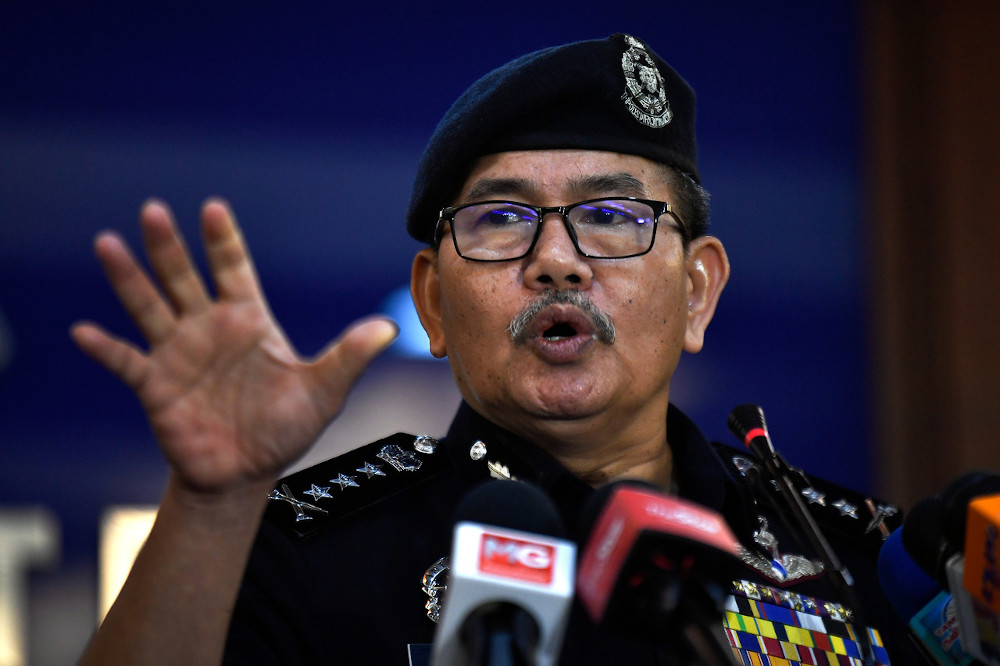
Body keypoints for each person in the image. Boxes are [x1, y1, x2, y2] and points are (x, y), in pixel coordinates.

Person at [73, 34, 920, 665]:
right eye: (502, 220)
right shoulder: (311, 561)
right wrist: (213, 504)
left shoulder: (854, 564)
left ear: (697, 291)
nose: (557, 259)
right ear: (433, 305)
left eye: (612, 216)